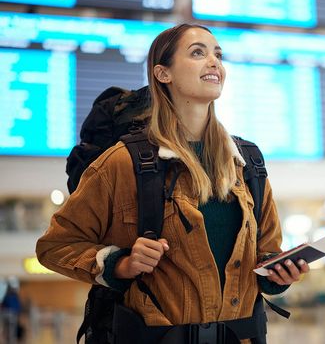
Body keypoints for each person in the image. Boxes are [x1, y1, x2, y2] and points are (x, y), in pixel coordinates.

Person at [36, 23, 310, 343]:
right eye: (198, 53)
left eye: (217, 55)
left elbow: (265, 256)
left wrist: (278, 276)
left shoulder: (247, 163)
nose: (214, 62)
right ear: (163, 74)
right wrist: (120, 264)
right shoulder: (123, 162)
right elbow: (55, 246)